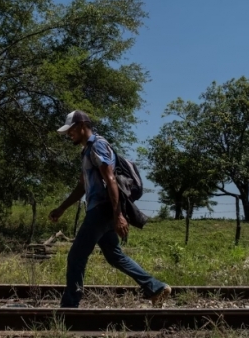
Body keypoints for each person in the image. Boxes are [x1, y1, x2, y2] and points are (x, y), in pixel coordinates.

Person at [49, 110, 171, 308]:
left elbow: (111, 179)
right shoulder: (87, 151)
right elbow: (82, 186)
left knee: (76, 256)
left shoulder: (97, 146)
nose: (68, 135)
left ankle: (69, 307)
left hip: (102, 210)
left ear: (81, 126)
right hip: (102, 210)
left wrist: (119, 215)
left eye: (70, 130)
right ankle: (155, 287)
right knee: (115, 255)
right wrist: (62, 208)